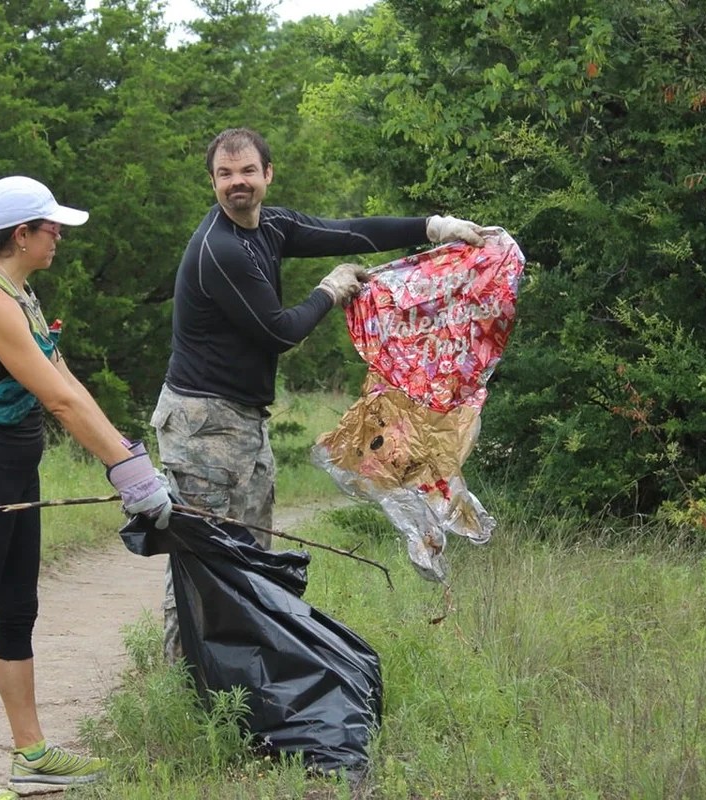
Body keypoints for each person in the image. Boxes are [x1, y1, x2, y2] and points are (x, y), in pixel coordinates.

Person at [152, 127, 491, 662]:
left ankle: (236, 680)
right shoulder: (221, 251)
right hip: (203, 426)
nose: (236, 183)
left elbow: (347, 232)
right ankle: (179, 682)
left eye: (246, 172)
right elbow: (279, 331)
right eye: (224, 174)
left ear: (267, 174)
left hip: (241, 420)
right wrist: (329, 291)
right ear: (212, 182)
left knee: (248, 558)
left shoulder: (270, 225)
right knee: (204, 558)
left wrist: (433, 227)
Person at [0, 175, 171, 800]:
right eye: (50, 227)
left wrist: (128, 456)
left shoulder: (22, 295)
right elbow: (58, 399)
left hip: (17, 475)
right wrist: (130, 473)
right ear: (21, 234)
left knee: (18, 609)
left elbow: (72, 383)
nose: (58, 236)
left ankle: (30, 754)